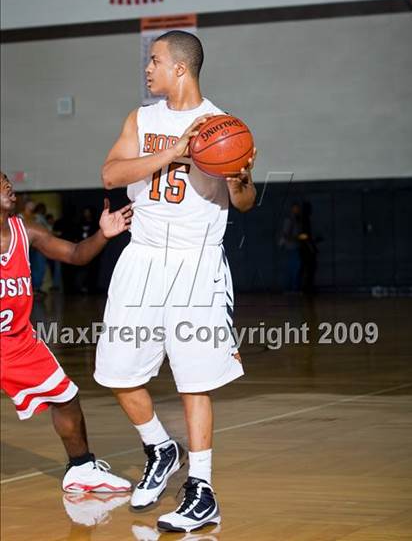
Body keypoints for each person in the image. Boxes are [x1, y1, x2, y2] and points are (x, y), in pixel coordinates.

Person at [94, 30, 257, 533]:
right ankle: (160, 448)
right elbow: (109, 174)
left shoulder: (224, 125)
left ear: (180, 68)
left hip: (196, 262)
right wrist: (172, 153)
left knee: (195, 378)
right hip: (141, 258)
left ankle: (202, 491)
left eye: (155, 60)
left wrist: (238, 181)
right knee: (116, 371)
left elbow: (245, 202)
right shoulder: (141, 119)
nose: (148, 68)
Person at [0, 172, 133, 493]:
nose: (8, 185)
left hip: (17, 343)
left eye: (7, 180)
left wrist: (103, 234)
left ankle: (82, 470)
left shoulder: (26, 231)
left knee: (66, 397)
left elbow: (76, 254)